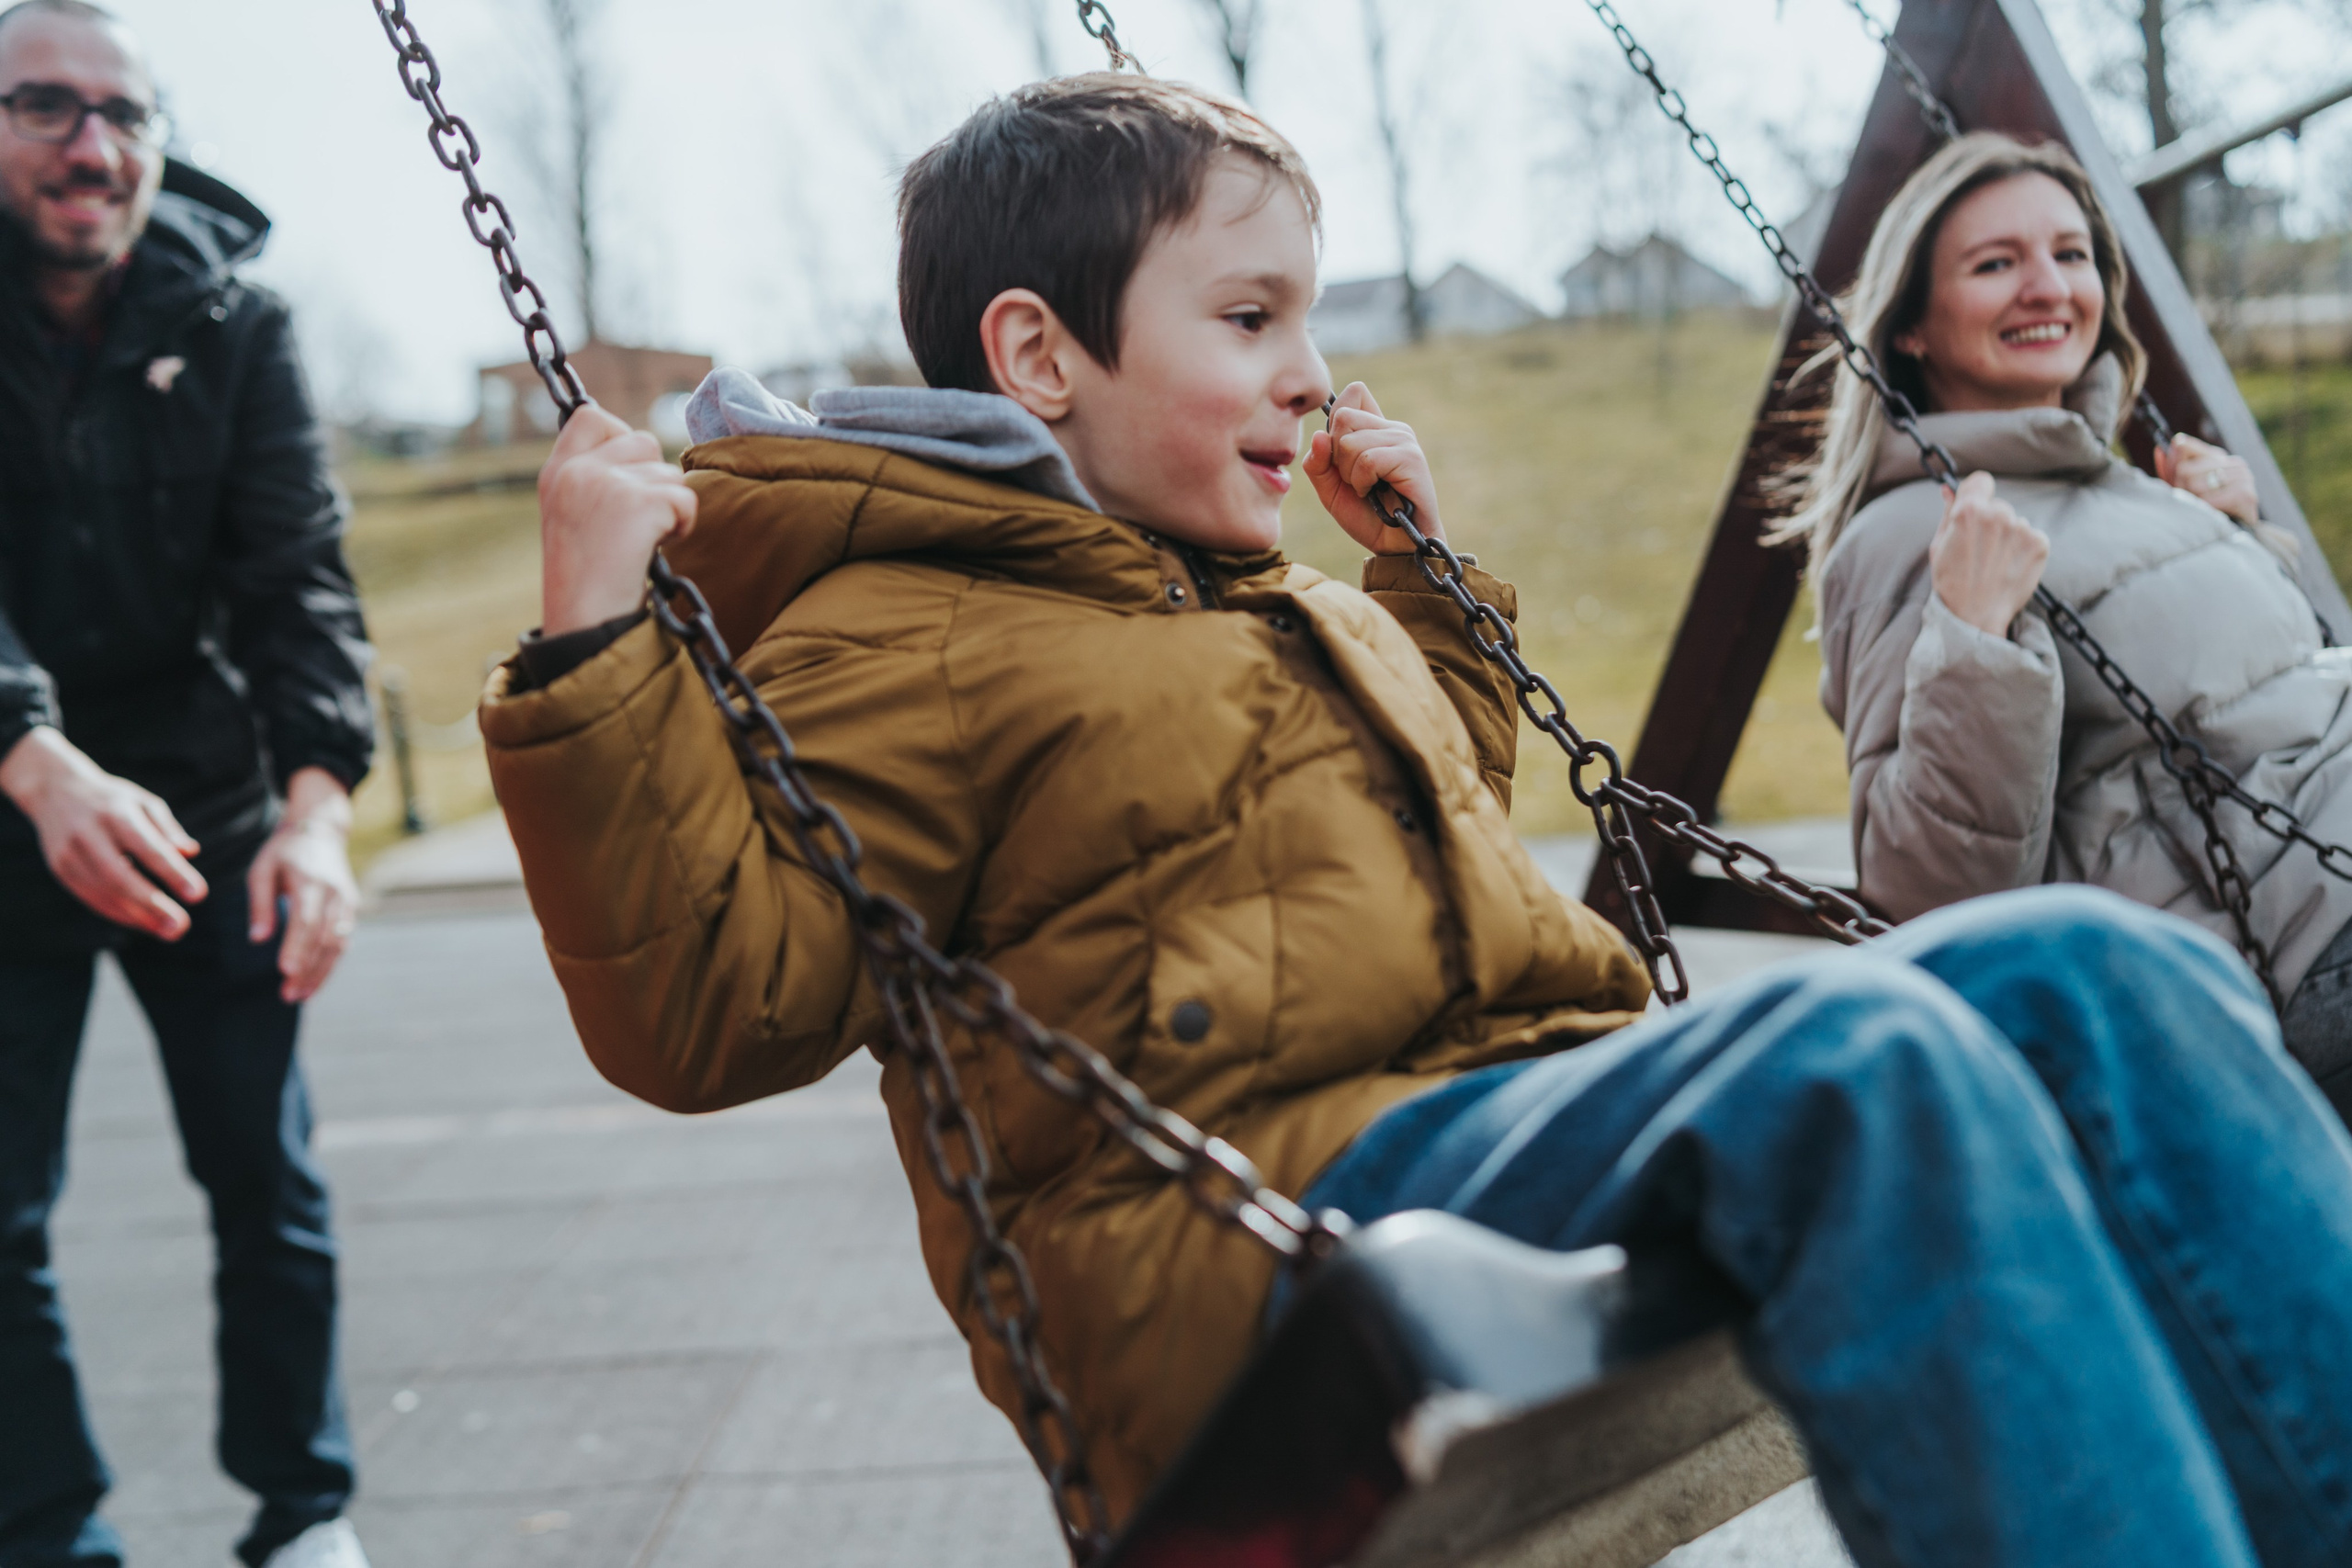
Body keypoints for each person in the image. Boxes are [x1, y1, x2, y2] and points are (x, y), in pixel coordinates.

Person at [484, 77, 2352, 1565]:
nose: (1308, 366)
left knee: (2100, 971)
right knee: (1857, 1054)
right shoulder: (906, 622)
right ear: (1040, 355)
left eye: (1305, 312)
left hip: (1480, 1120)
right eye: (1246, 315)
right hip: (1266, 1237)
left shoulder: (1260, 593)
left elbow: (1408, 835)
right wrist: (592, 644)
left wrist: (1427, 588)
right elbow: (714, 1004)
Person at [0, 5, 376, 1568]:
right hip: (6, 790)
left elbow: (298, 581)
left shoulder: (235, 318)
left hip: (208, 811)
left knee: (264, 1182)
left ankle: (304, 1516)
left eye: (126, 114)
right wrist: (34, 756)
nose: (96, 146)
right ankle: (46, 1530)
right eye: (45, 107)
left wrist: (319, 810)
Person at [1796, 131, 2352, 1119]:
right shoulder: (1906, 538)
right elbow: (1937, 904)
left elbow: (2259, 710)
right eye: (1995, 263)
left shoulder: (2137, 487)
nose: (2047, 286)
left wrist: (2240, 544)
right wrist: (1970, 637)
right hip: (2299, 959)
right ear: (1913, 326)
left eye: (2069, 253)